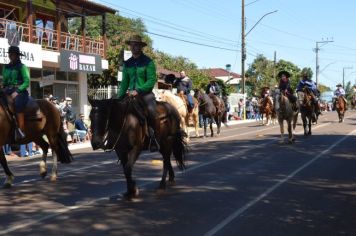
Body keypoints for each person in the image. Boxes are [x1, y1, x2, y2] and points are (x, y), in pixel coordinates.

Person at [118, 34, 159, 152]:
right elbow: (124, 82)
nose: (134, 47)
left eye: (137, 45)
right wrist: (119, 97)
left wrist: (139, 90)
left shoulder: (148, 62)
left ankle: (153, 138)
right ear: (130, 47)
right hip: (130, 94)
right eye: (132, 45)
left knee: (151, 111)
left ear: (141, 47)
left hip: (145, 94)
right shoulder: (127, 63)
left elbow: (151, 80)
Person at [2, 46, 30, 140]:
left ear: (17, 56)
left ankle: (20, 131)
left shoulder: (22, 67)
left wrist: (17, 91)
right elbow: (4, 81)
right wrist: (2, 85)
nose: (10, 55)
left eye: (12, 54)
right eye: (10, 54)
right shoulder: (6, 67)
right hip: (7, 90)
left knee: (17, 103)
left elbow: (27, 81)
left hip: (20, 91)